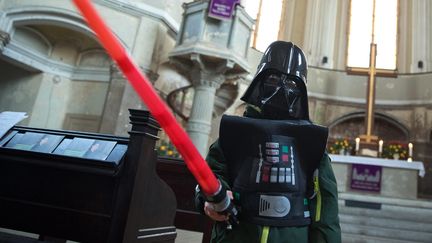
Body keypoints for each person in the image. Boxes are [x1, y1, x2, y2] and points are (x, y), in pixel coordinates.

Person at [195, 41, 341, 243]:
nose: (282, 87)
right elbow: (211, 177)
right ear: (259, 82)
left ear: (301, 90)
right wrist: (209, 199)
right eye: (273, 77)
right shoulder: (235, 133)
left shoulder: (310, 142)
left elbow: (325, 210)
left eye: (291, 82)